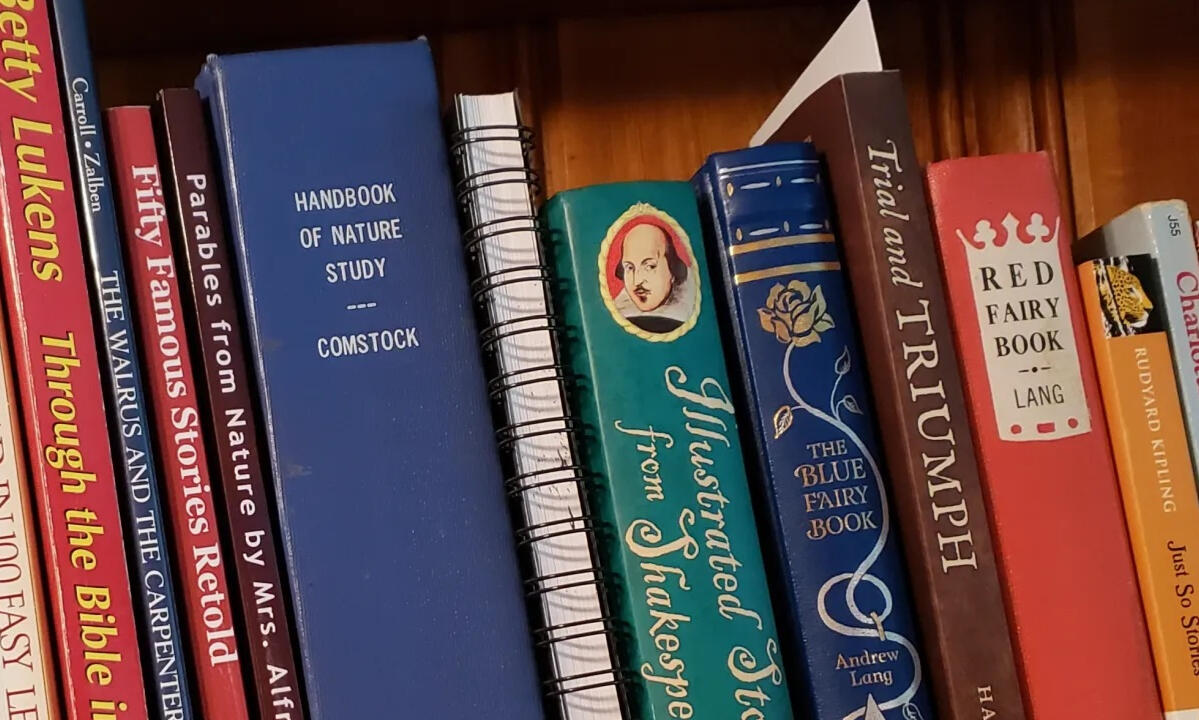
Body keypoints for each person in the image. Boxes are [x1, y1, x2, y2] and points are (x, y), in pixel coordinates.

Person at [612, 221, 695, 333]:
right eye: (629, 268)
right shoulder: (620, 312)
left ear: (672, 269)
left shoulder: (687, 310)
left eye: (650, 267)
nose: (637, 281)